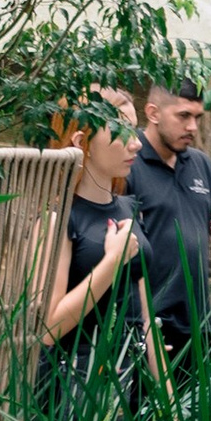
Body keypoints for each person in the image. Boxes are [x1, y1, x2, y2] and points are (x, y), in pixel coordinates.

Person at [126, 79, 211, 365]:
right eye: (183, 116)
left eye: (197, 117)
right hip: (144, 324)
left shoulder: (202, 165)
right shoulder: (128, 162)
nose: (193, 127)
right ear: (153, 113)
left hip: (198, 322)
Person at [45, 88, 149, 360]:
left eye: (135, 130)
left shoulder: (130, 208)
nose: (136, 143)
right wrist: (113, 261)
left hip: (128, 380)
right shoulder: (57, 219)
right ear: (81, 142)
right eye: (122, 130)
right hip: (74, 384)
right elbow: (48, 328)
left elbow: (146, 320)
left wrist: (167, 394)